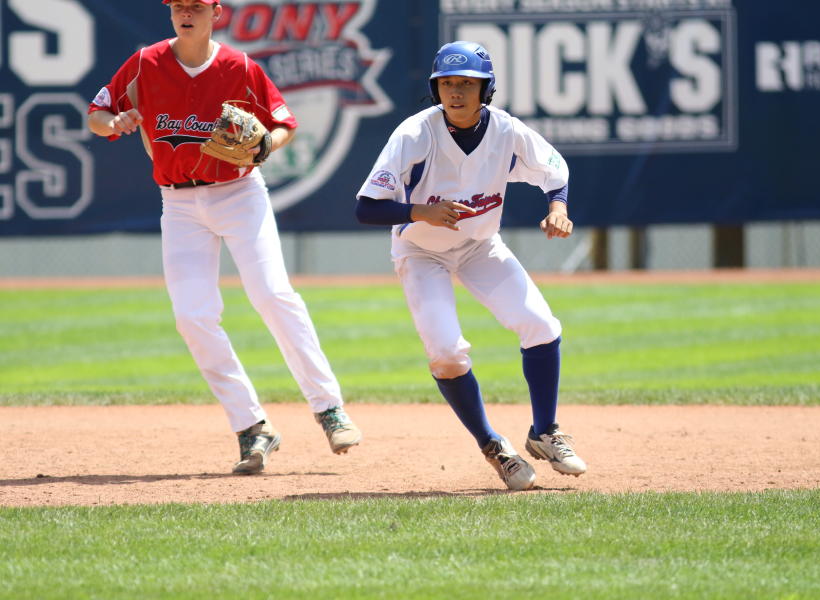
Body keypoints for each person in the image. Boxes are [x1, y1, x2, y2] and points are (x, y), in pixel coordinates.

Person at [87, 0, 361, 475]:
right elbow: (97, 113)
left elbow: (283, 123)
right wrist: (114, 123)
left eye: (195, 5)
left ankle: (328, 408)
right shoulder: (144, 64)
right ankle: (252, 427)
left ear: (216, 12)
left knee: (272, 294)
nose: (185, 13)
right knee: (192, 317)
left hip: (238, 194)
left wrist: (264, 145)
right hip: (178, 204)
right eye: (178, 6)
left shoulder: (239, 67)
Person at [355, 41, 587, 491]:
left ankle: (544, 431)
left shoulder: (506, 131)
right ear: (435, 88)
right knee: (445, 353)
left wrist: (557, 207)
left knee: (540, 324)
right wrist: (420, 211)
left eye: (466, 84)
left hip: (480, 246)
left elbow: (554, 169)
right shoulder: (414, 134)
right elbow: (366, 208)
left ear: (486, 89)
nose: (455, 92)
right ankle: (492, 444)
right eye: (446, 83)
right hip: (422, 252)